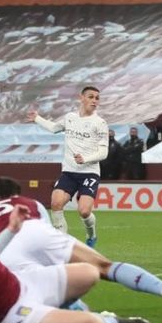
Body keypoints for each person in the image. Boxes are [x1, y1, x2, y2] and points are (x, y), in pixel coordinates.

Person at [0, 172, 151, 323]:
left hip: (22, 285)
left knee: (90, 273)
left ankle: (62, 306)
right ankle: (114, 322)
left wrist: (11, 230)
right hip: (12, 312)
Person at [0, 177, 162, 310]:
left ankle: (66, 305)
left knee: (26, 286)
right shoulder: (28, 202)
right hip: (31, 229)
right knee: (104, 267)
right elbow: (44, 233)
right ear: (15, 193)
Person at [27, 86, 108, 248]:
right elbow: (54, 128)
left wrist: (86, 158)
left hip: (89, 173)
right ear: (82, 98)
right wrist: (37, 118)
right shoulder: (70, 117)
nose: (94, 101)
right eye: (91, 97)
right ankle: (61, 244)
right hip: (69, 171)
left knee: (84, 211)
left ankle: (91, 234)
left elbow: (104, 152)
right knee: (56, 203)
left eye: (97, 98)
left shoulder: (100, 123)